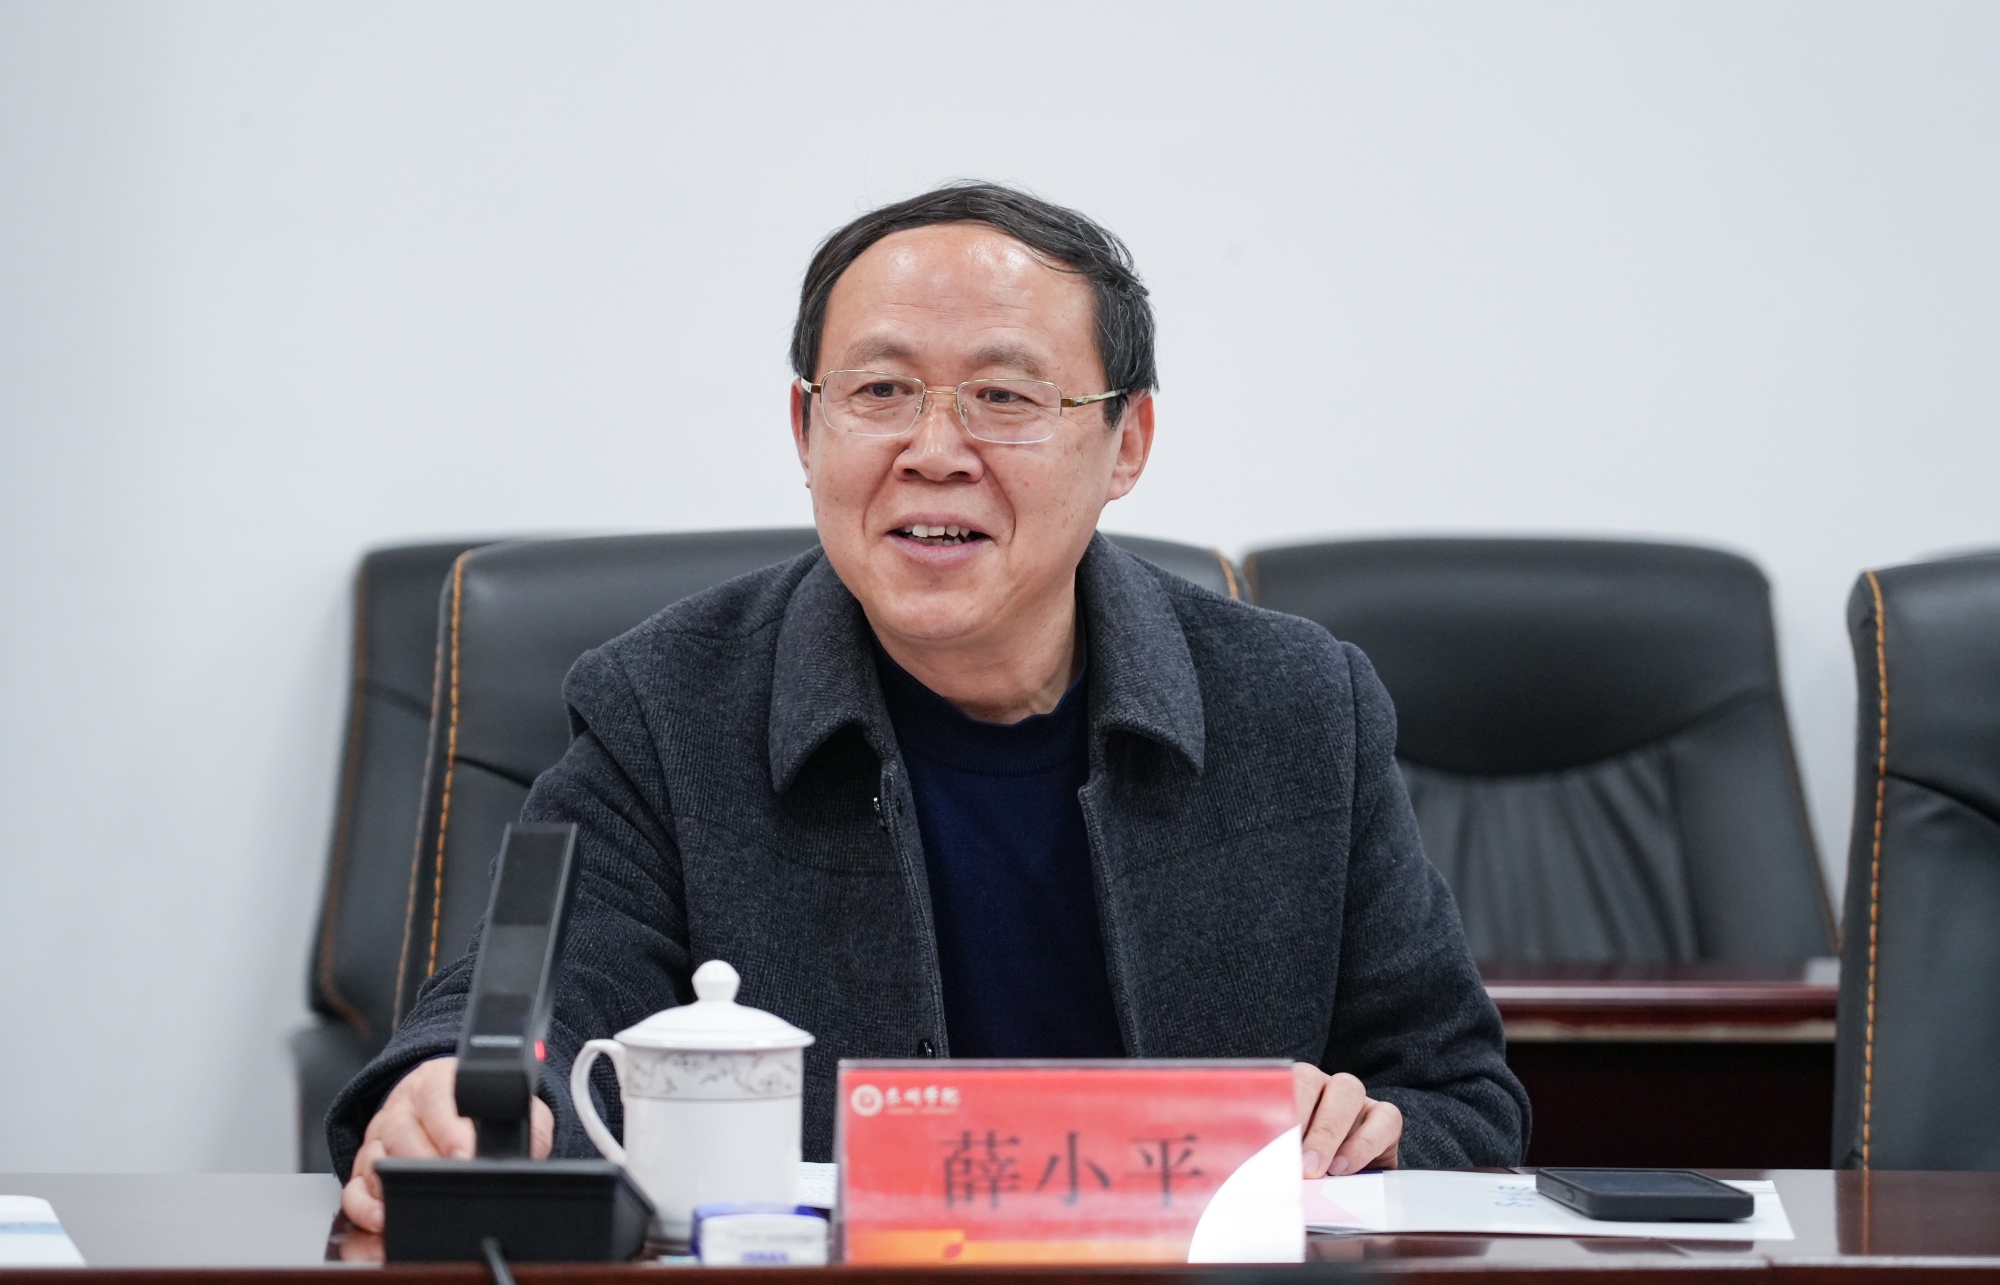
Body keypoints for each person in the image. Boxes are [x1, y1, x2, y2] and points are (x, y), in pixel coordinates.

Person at [330, 182, 1528, 1232]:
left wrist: (1364, 1137)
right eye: (880, 389)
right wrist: (451, 1096)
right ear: (806, 429)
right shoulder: (665, 707)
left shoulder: (1299, 707)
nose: (933, 448)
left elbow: (1458, 1096)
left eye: (1003, 395)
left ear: (1126, 443)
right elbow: (529, 1007)